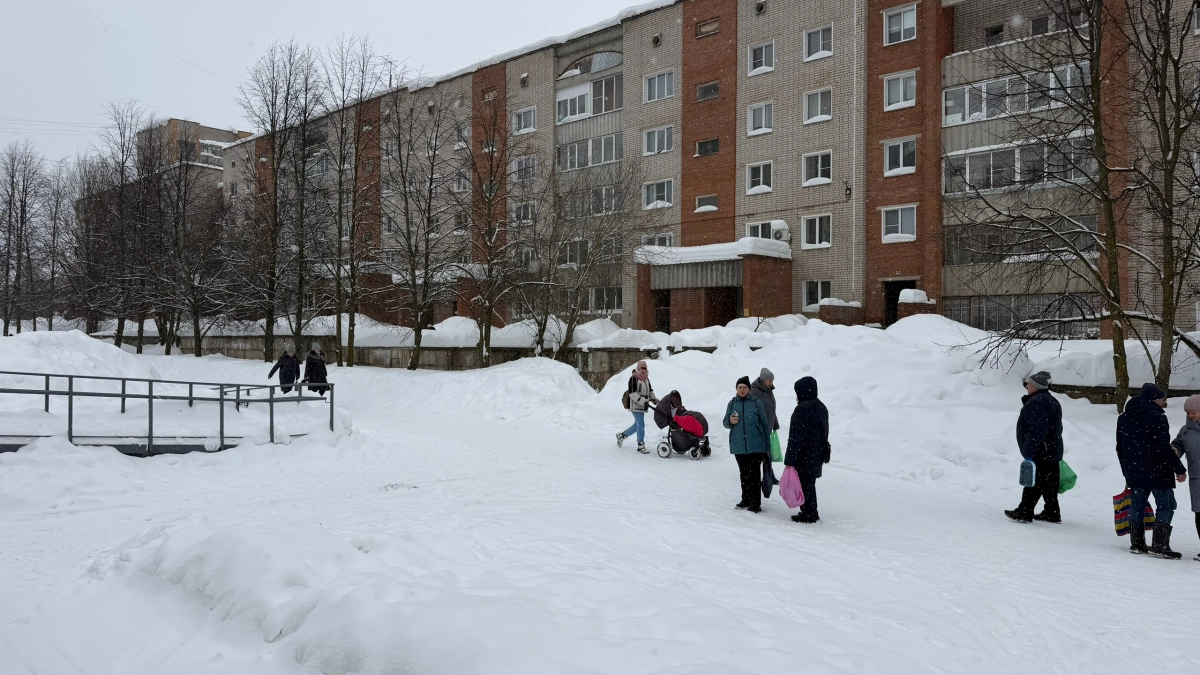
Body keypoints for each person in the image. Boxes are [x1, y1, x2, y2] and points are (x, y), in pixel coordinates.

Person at [1118, 382, 1187, 558]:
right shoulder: (1157, 417)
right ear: (1155, 399)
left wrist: (1126, 470)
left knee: (1138, 505)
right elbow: (1162, 447)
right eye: (1163, 399)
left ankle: (1137, 543)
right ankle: (1159, 545)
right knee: (1166, 506)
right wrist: (1179, 469)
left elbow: (1120, 447)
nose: (1165, 402)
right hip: (1157, 470)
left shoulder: (1124, 417)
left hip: (1134, 470)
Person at [1006, 371, 1065, 524]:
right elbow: (1057, 427)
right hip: (1052, 449)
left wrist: (1029, 449)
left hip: (1042, 450)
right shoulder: (1051, 400)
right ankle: (1052, 511)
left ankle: (1025, 511)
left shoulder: (1037, 402)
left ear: (1037, 386)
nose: (1027, 386)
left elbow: (1038, 429)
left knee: (1035, 480)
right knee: (1050, 481)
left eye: (1029, 384)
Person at [784, 376, 829, 523]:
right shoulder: (821, 406)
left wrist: (790, 460)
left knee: (804, 483)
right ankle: (811, 510)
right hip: (817, 452)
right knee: (810, 483)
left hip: (804, 454)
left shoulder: (802, 409)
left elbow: (796, 437)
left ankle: (809, 512)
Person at [724, 375, 771, 513]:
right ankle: (745, 499)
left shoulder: (757, 403)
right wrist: (730, 422)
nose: (742, 390)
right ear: (736, 389)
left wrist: (766, 446)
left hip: (756, 445)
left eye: (745, 387)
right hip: (739, 445)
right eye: (739, 387)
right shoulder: (732, 403)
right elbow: (725, 422)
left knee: (754, 475)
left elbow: (764, 424)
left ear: (749, 389)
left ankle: (755, 503)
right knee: (743, 474)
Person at [1170, 395, 1200, 561]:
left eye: (1193, 412)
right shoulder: (1186, 430)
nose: (1190, 416)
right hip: (1197, 479)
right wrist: (1174, 449)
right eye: (1188, 412)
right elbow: (1179, 444)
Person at [617, 361, 657, 454]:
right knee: (641, 425)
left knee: (637, 425)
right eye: (641, 368)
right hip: (635, 405)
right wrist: (643, 401)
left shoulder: (646, 379)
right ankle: (640, 445)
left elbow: (650, 391)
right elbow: (632, 394)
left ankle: (622, 435)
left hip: (643, 406)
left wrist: (653, 398)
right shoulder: (633, 378)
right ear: (638, 369)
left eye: (645, 368)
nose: (643, 370)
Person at [751, 368, 780, 494]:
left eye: (772, 379)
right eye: (769, 379)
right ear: (763, 379)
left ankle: (769, 475)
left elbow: (771, 409)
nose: (771, 382)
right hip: (759, 431)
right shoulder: (754, 392)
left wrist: (775, 422)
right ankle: (762, 477)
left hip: (768, 428)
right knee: (762, 455)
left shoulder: (769, 391)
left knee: (767, 454)